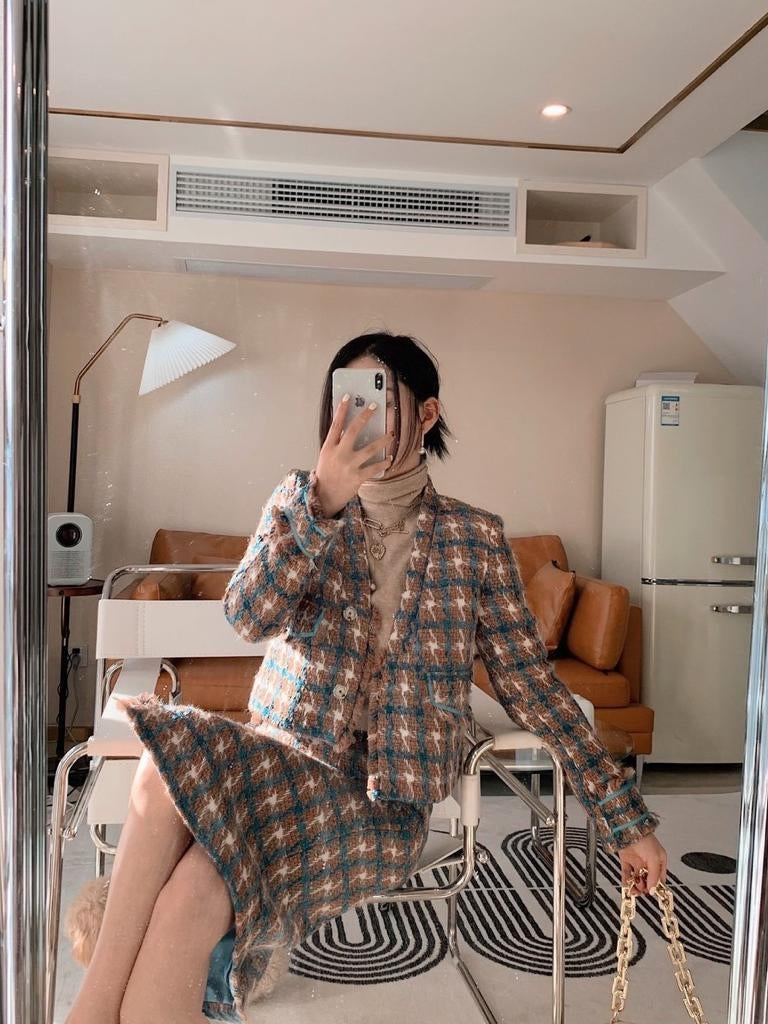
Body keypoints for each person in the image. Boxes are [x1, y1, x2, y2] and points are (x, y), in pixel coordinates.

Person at [64, 331, 666, 1024]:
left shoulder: (475, 540)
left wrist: (624, 820)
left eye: (375, 401)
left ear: (428, 415)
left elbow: (533, 687)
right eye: (344, 401)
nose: (354, 419)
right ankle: (92, 1013)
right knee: (180, 853)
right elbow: (247, 616)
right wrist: (319, 507)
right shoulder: (298, 503)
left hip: (380, 807)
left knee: (189, 872)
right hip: (279, 762)